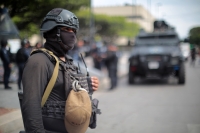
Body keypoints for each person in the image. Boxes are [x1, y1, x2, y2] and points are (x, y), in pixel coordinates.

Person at [21, 8, 99, 133]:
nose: (72, 34)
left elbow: (65, 91)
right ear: (52, 31)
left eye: (73, 30)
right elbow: (31, 105)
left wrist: (86, 86)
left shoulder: (68, 61)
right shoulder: (39, 61)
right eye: (66, 29)